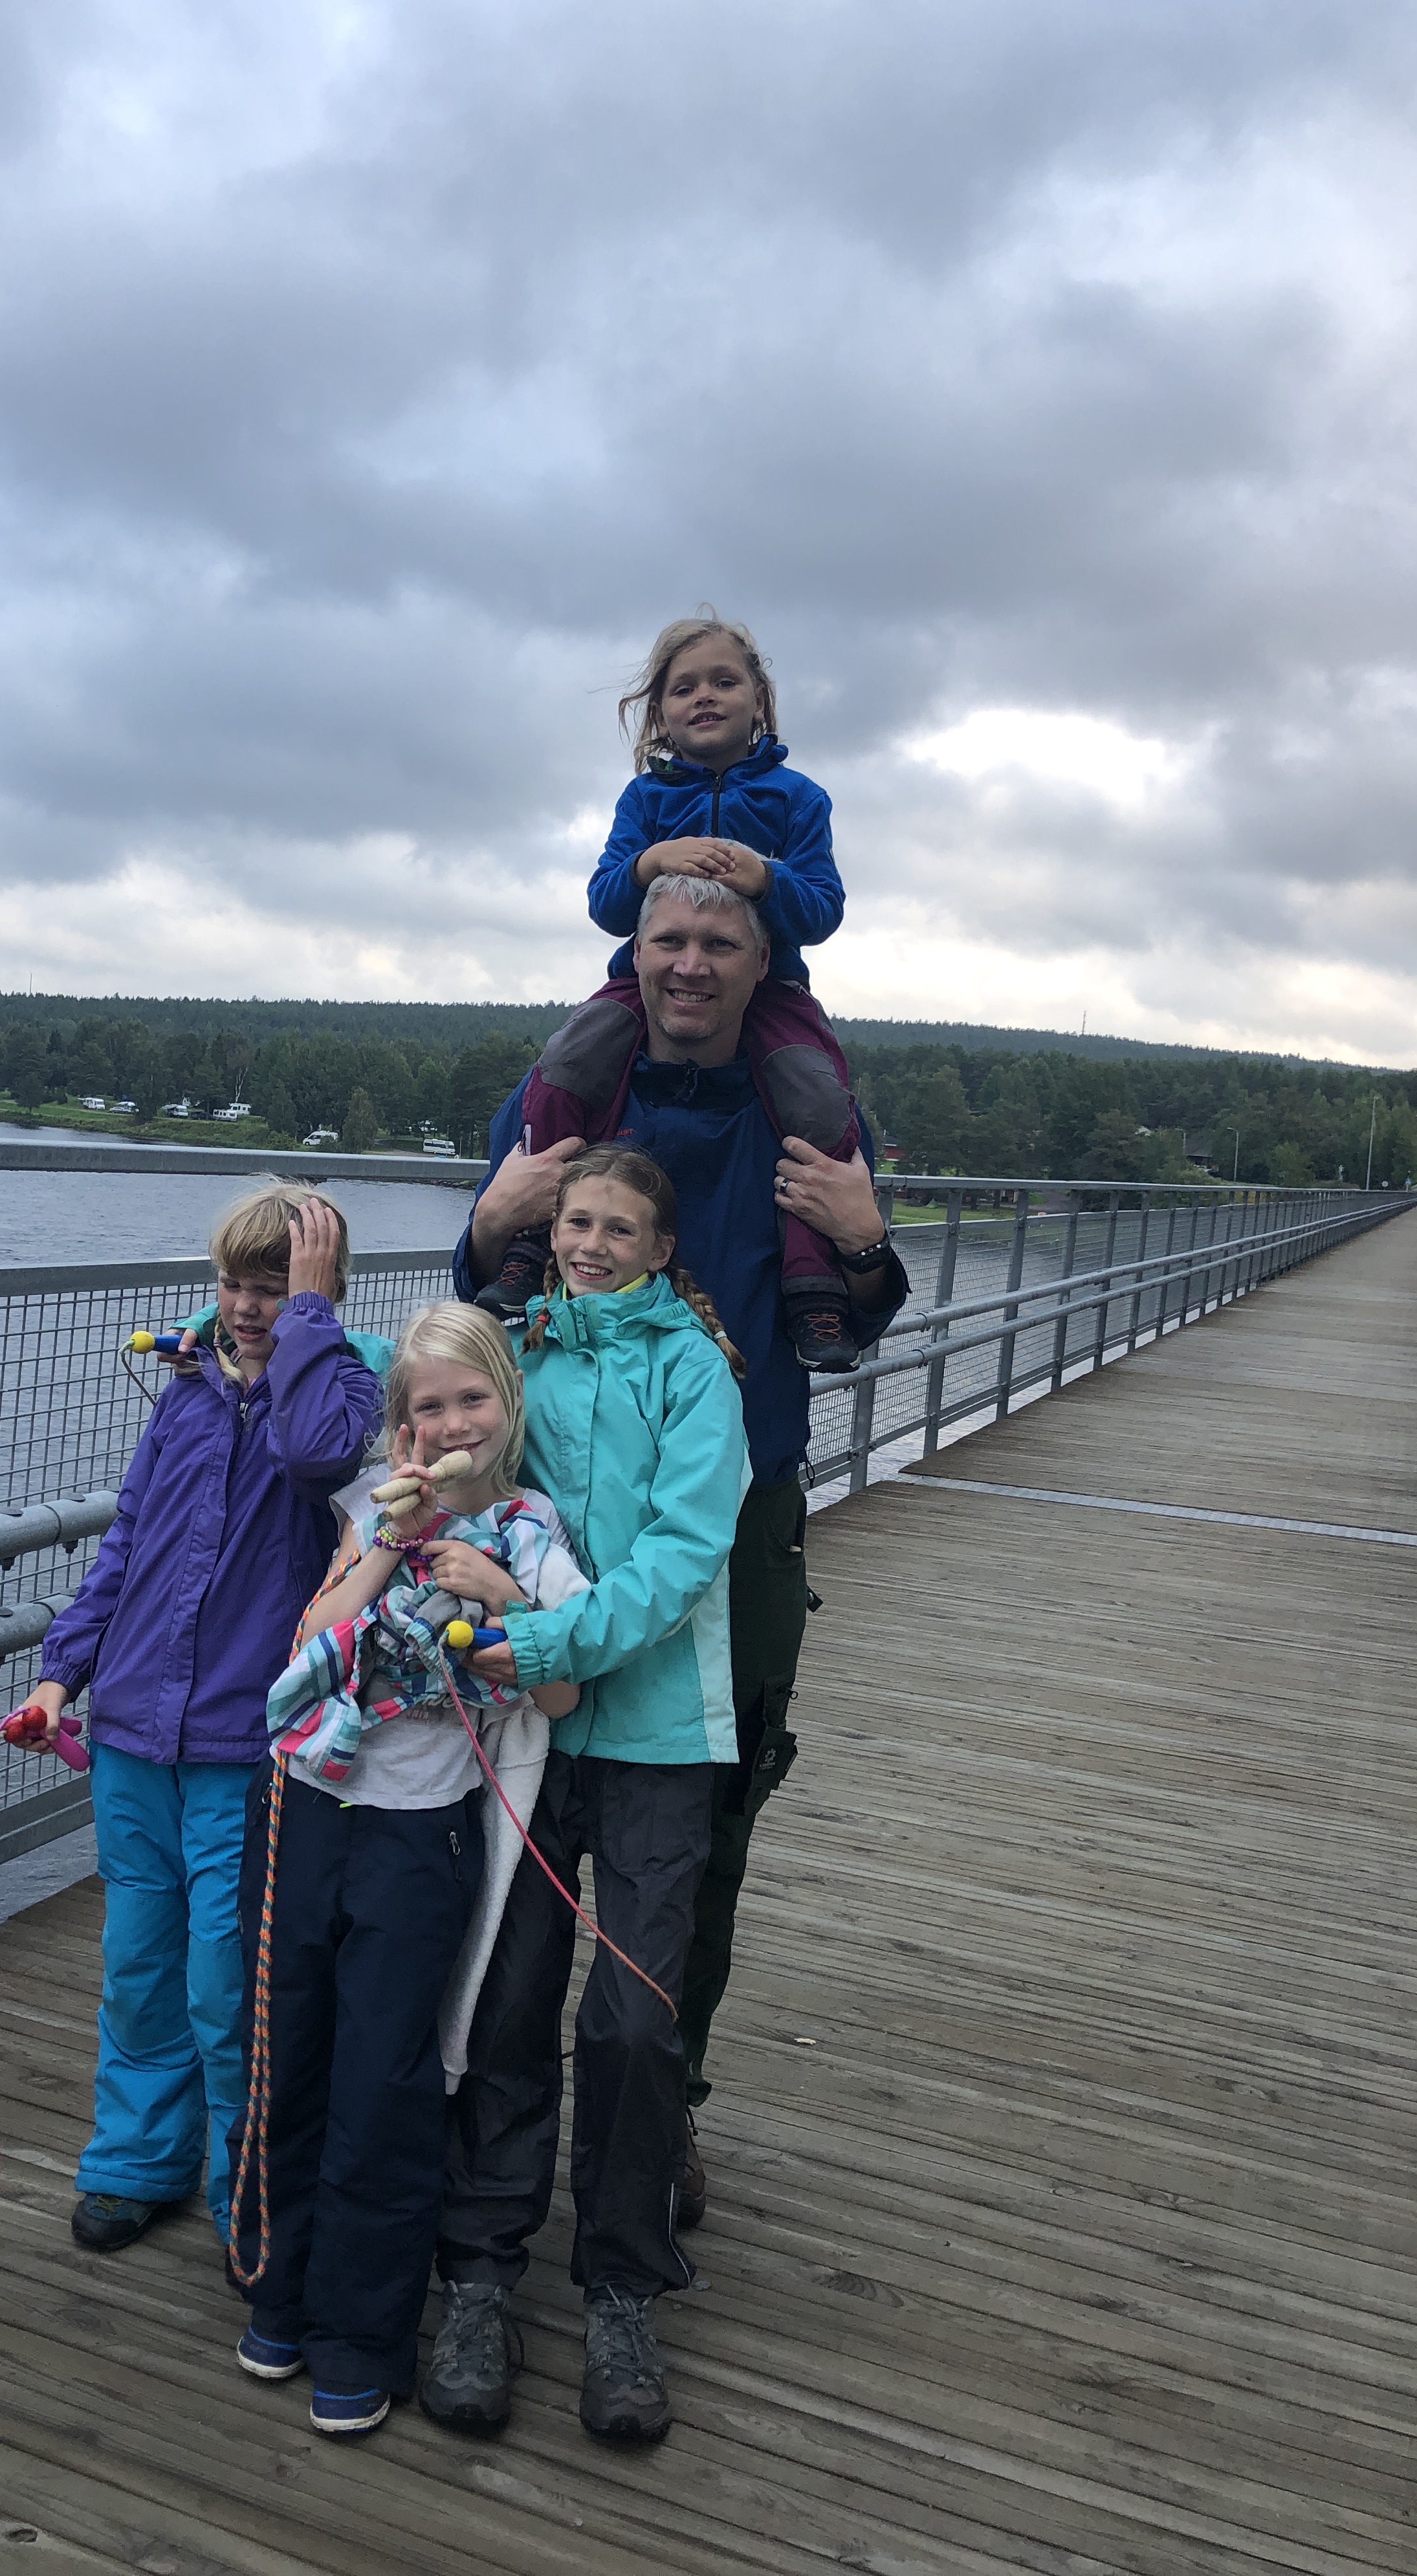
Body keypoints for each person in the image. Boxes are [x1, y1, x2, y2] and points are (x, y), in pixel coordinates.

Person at [453, 871, 908, 2260]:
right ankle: (482, 2108)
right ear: (632, 954)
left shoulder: (801, 1102)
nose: (690, 964)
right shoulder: (568, 1094)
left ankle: (666, 2101)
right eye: (669, 940)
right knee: (509, 1813)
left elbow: (858, 1316)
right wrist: (484, 1222)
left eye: (719, 943)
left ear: (764, 963)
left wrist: (865, 1237)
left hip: (732, 1513)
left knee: (707, 1823)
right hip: (547, 1521)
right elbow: (485, 1301)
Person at [426, 1146, 752, 2447]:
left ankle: (621, 2285)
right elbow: (436, 1421)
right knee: (506, 1999)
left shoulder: (695, 1372)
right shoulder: (522, 1355)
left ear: (662, 1250)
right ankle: (480, 2270)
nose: (591, 1244)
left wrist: (548, 1639)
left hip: (658, 1736)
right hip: (528, 1731)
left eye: (620, 1228)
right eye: (575, 1222)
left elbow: (683, 1554)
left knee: (629, 2020)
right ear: (547, 1231)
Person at [226, 1304, 586, 2438]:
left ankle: (360, 2333)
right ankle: (277, 2290)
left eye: (471, 1400)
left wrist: (498, 1592)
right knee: (286, 2051)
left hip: (419, 1832)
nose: (451, 1425)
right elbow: (309, 1641)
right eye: (428, 1408)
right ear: (400, 1428)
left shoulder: (531, 1531)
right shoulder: (366, 1512)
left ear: (507, 1405)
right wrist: (392, 1533)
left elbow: (561, 1688)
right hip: (301, 1811)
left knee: (383, 2081)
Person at [8, 1184, 382, 2258]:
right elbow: (126, 1543)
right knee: (139, 1963)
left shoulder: (344, 1390)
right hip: (132, 1727)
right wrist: (61, 1675)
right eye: (233, 1284)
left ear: (318, 1293)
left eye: (274, 1287)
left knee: (230, 1979)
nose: (248, 1306)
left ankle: (245, 2182)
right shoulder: (184, 1392)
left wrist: (310, 1322)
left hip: (240, 1744)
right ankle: (135, 2159)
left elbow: (315, 1459)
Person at [478, 610, 866, 1370]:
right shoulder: (646, 801)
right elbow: (606, 904)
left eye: (724, 682)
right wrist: (652, 861)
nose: (705, 697)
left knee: (818, 1100)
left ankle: (813, 1282)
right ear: (660, 711)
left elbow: (822, 910)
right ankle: (528, 1240)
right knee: (565, 1068)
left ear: (760, 700)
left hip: (773, 991)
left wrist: (766, 877)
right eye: (685, 688)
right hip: (636, 990)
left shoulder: (797, 799)